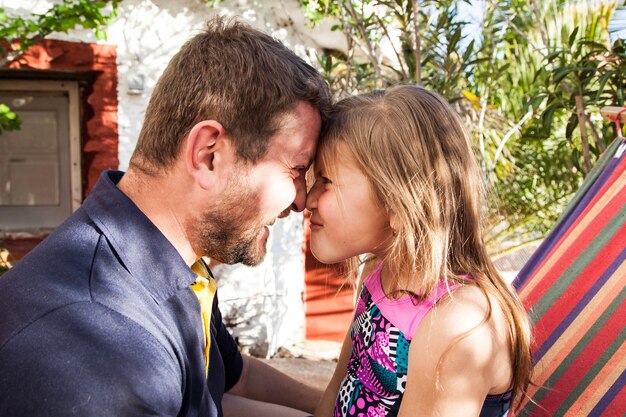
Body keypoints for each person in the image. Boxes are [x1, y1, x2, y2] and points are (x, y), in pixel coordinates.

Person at [0, 17, 331, 417]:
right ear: (208, 154)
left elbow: (228, 380)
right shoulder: (98, 348)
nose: (300, 200)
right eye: (296, 170)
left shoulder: (177, 262)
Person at [306, 85, 532, 417]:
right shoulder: (379, 274)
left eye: (325, 180)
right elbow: (337, 394)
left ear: (398, 205)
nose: (308, 200)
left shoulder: (456, 324)